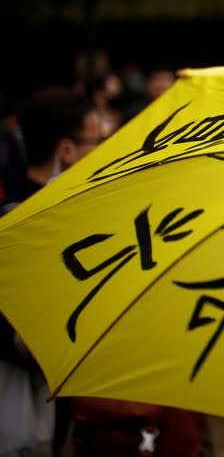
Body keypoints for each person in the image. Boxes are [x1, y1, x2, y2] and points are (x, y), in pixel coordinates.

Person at [0, 87, 104, 456]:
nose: (106, 149)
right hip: (26, 400)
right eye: (98, 140)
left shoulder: (65, 209)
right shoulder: (21, 221)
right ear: (66, 150)